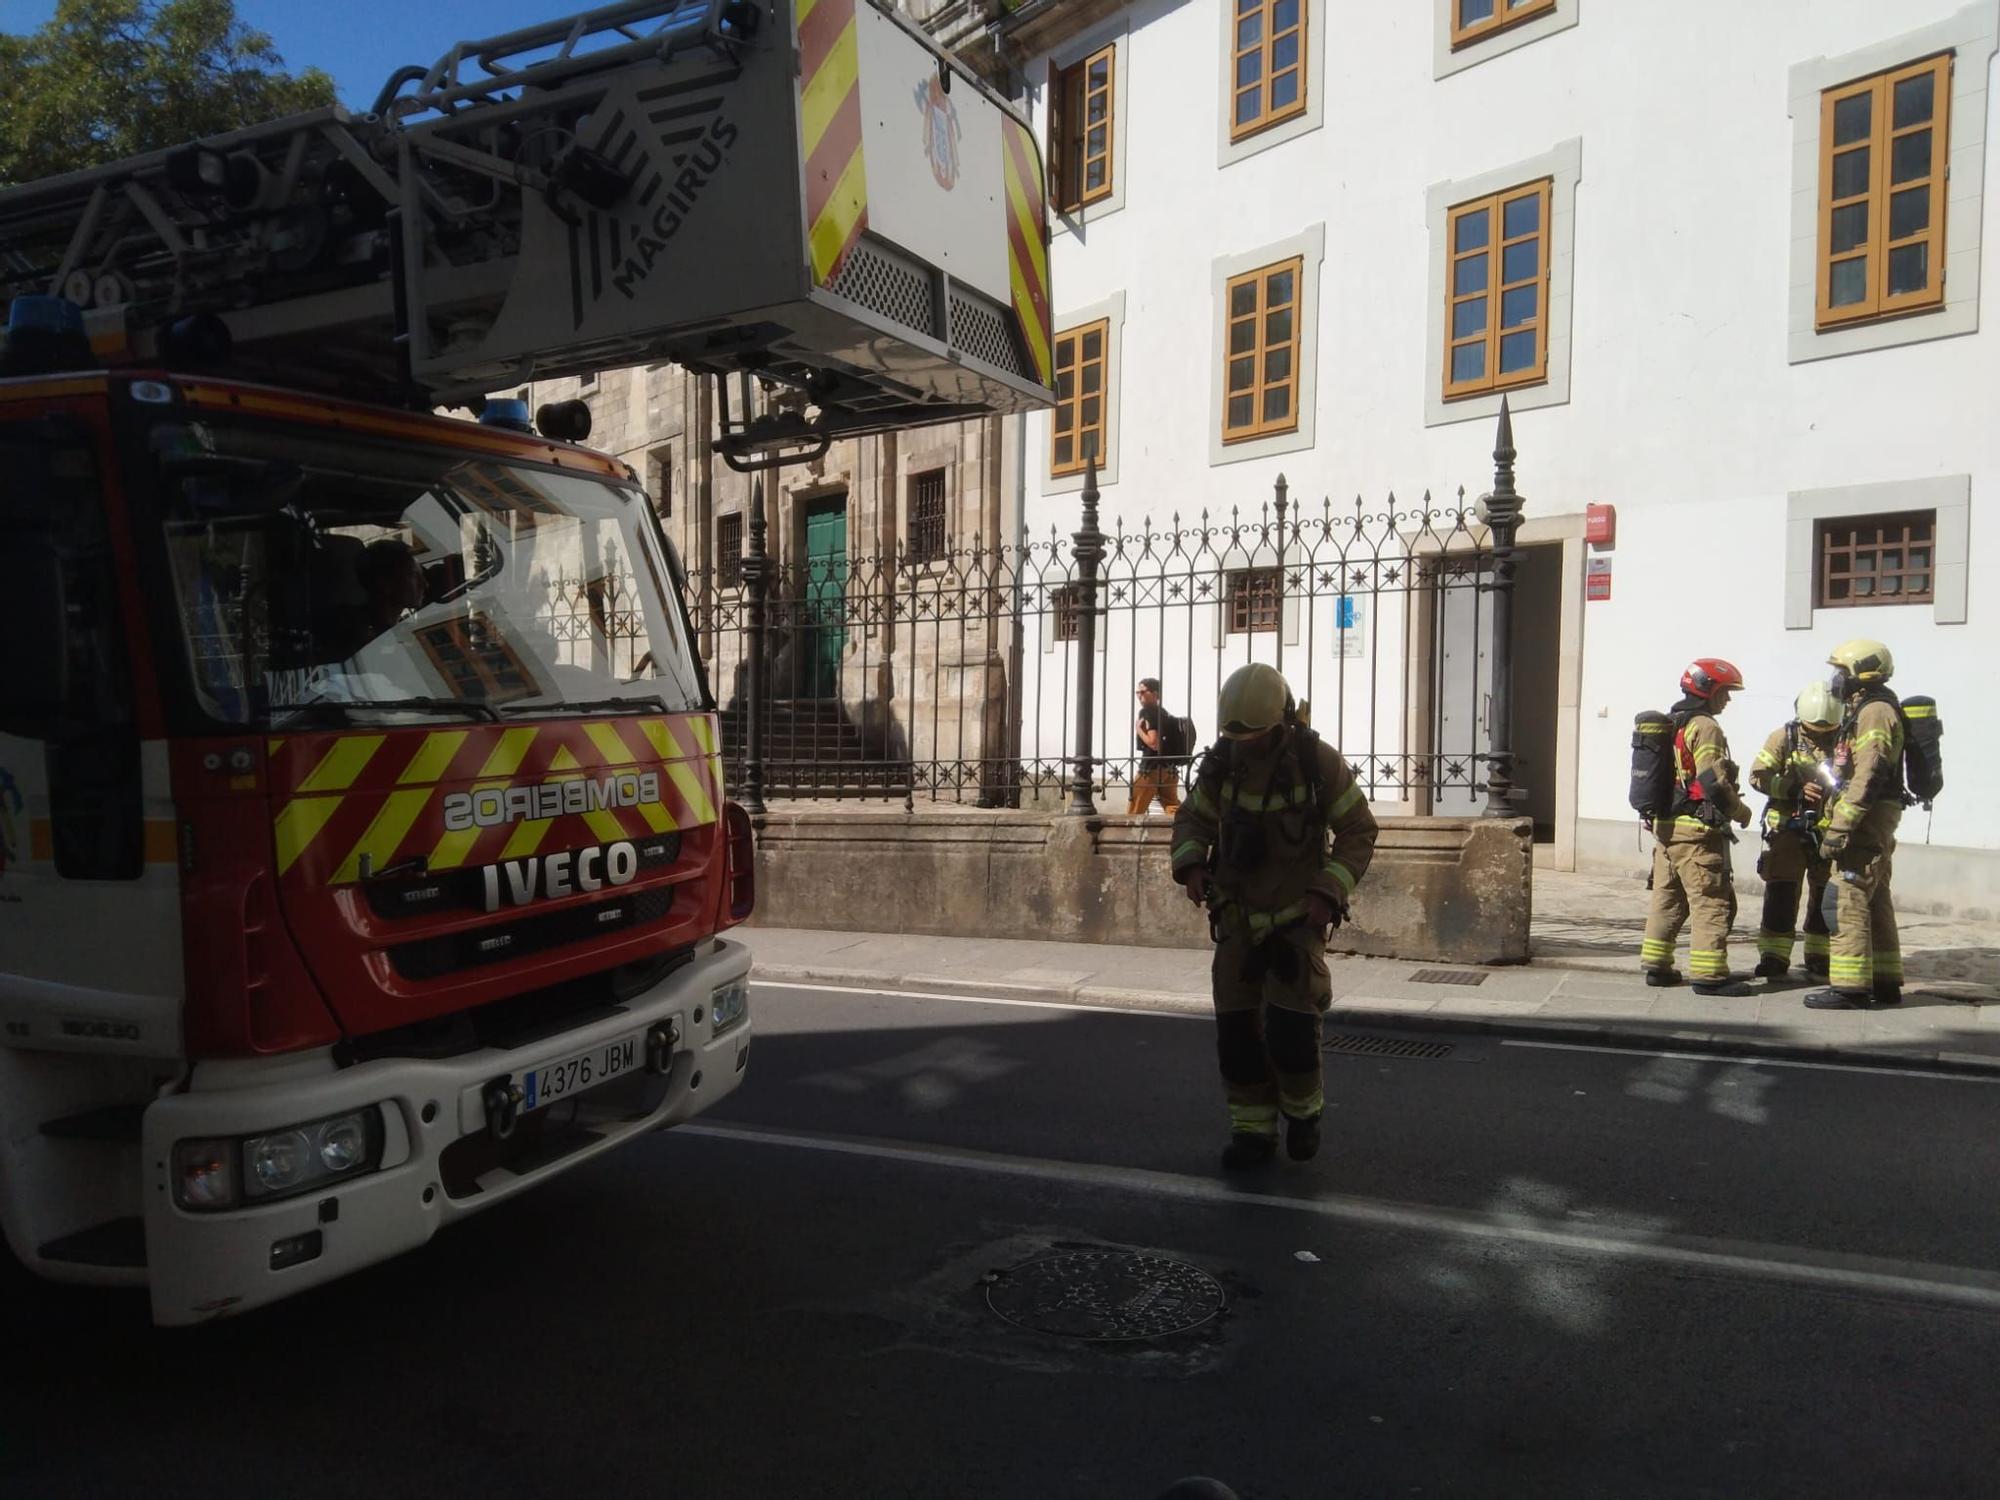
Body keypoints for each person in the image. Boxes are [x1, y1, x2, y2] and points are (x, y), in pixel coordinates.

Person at [1170, 663, 1378, 1169]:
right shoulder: (1222, 764)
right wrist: (1193, 864)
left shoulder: (1316, 764)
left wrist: (1328, 891)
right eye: (1237, 736)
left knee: (1291, 1032)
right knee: (1237, 1036)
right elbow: (1193, 818)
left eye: (1256, 736)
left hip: (1294, 920)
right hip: (1237, 917)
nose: (1246, 745)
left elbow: (1358, 832)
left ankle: (1303, 1115)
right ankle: (1253, 1134)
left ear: (1281, 725)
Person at [1638, 658, 1756, 996]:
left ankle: (1657, 967)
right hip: (1696, 831)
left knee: (1667, 897)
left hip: (1666, 828)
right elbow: (1712, 780)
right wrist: (1740, 810)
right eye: (1725, 692)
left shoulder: (1671, 722)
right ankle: (1709, 976)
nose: (1728, 700)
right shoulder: (1705, 727)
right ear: (1708, 690)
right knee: (1711, 901)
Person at [1806, 638, 1905, 1011]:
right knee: (1874, 898)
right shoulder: (1869, 708)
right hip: (1875, 815)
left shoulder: (1874, 712)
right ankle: (1884, 980)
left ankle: (1849, 986)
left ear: (1862, 674)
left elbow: (1869, 771)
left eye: (1841, 672)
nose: (1836, 679)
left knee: (1844, 895)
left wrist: (1841, 826)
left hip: (1865, 816)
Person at [1748, 682, 1842, 981]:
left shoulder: (1845, 739)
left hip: (1828, 830)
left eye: (1828, 730)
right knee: (1782, 891)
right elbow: (1758, 776)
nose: (1821, 734)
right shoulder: (1783, 738)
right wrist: (1794, 788)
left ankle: (1819, 955)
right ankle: (1774, 956)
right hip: (1788, 829)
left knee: (1826, 893)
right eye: (1815, 729)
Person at [1129, 677, 1182, 815]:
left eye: (1143, 692)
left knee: (1134, 811)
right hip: (1169, 769)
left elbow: (1154, 743)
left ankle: (1128, 836)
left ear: (1155, 694)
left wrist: (1138, 729)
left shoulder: (1147, 712)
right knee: (1172, 807)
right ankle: (1179, 833)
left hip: (1151, 769)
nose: (1139, 696)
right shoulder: (1164, 713)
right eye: (1137, 692)